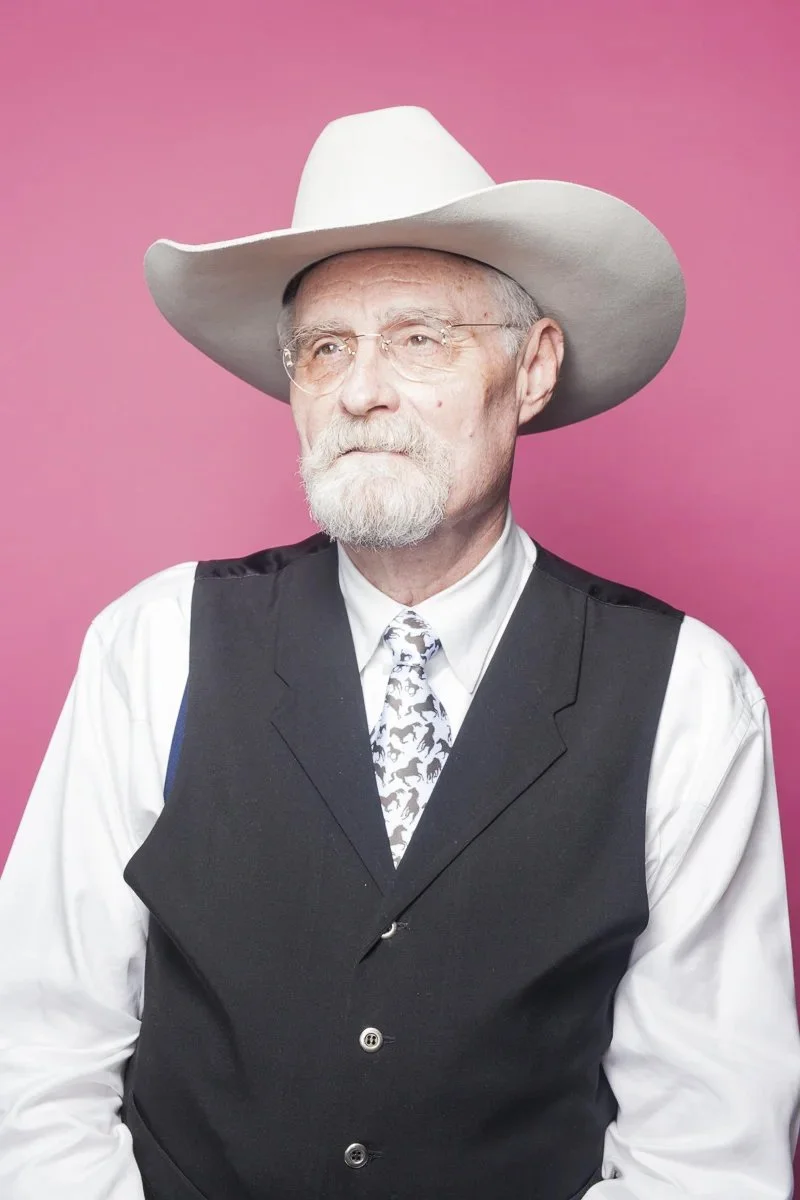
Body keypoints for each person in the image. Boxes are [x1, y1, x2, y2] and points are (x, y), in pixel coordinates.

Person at [0, 105, 798, 1200]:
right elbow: (34, 1051)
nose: (359, 388)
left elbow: (707, 1146)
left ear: (530, 371)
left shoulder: (689, 696)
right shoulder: (152, 646)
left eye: (417, 338)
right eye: (325, 348)